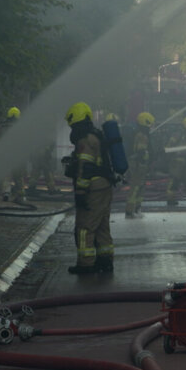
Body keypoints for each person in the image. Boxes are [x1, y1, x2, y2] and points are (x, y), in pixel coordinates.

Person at [65, 101, 115, 274]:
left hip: (92, 189)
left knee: (85, 227)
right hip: (105, 186)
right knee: (102, 226)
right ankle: (105, 261)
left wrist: (80, 192)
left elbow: (84, 168)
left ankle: (86, 264)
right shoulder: (97, 135)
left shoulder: (85, 139)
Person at [125, 112, 154, 218]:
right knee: (136, 187)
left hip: (139, 164)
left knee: (140, 186)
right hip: (138, 165)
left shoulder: (139, 133)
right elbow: (141, 152)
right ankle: (130, 210)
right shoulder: (142, 135)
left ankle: (136, 209)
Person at [165, 116, 186, 207]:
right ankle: (170, 200)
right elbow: (169, 146)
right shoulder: (178, 134)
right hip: (177, 163)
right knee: (174, 182)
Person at [0, 107, 27, 202]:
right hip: (17, 155)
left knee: (6, 175)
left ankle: (6, 193)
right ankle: (20, 195)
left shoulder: (2, 126)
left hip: (6, 154)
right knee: (18, 176)